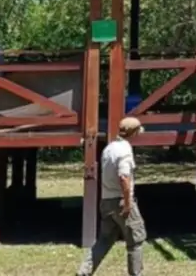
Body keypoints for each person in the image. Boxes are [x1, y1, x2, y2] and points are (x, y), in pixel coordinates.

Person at [77, 116, 147, 276]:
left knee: (104, 239)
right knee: (136, 239)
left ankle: (84, 271)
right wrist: (128, 203)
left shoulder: (109, 148)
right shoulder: (125, 151)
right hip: (121, 200)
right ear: (134, 133)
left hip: (106, 200)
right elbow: (124, 176)